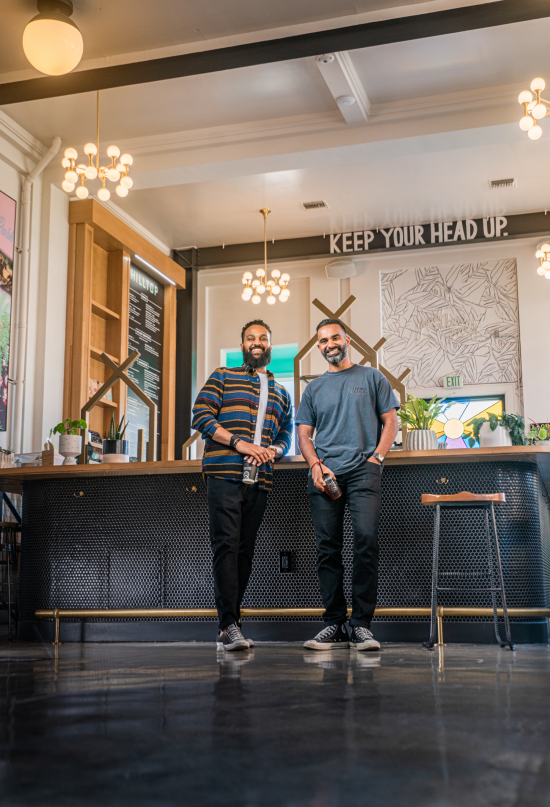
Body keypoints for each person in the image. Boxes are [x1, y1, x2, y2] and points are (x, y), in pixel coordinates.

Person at [296, 318, 399, 651]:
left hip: (362, 470)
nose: (329, 344)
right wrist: (314, 463)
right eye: (323, 341)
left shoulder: (371, 377)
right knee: (328, 549)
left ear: (347, 340)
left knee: (366, 541)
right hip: (324, 474)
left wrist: (377, 458)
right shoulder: (313, 388)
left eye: (334, 338)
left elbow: (390, 422)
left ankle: (361, 625)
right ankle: (335, 623)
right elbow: (303, 434)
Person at [192, 319, 293, 651]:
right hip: (224, 473)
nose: (257, 342)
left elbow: (285, 437)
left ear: (270, 346)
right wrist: (240, 443)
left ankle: (232, 624)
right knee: (227, 546)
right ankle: (227, 626)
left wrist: (273, 450)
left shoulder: (282, 393)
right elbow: (201, 416)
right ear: (242, 345)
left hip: (260, 480)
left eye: (263, 338)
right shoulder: (223, 375)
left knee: (245, 551)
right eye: (251, 338)